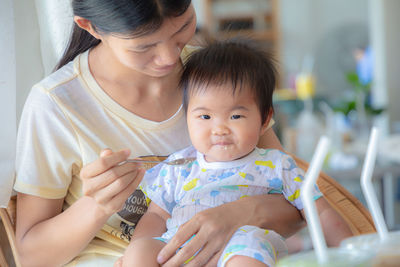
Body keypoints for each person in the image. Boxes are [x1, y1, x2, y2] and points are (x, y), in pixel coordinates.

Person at [13, 1, 307, 266]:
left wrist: (235, 215)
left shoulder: (222, 79)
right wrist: (97, 205)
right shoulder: (57, 104)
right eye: (143, 46)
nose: (169, 56)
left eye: (182, 27)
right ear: (90, 26)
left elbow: (297, 205)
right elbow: (30, 256)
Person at [119, 39, 352, 267]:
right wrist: (137, 249)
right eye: (205, 117)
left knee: (249, 250)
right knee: (141, 251)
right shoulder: (179, 165)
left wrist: (350, 254)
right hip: (181, 253)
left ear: (265, 119)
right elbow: (157, 217)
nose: (219, 129)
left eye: (236, 116)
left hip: (240, 248)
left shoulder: (277, 165)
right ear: (187, 117)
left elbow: (319, 212)